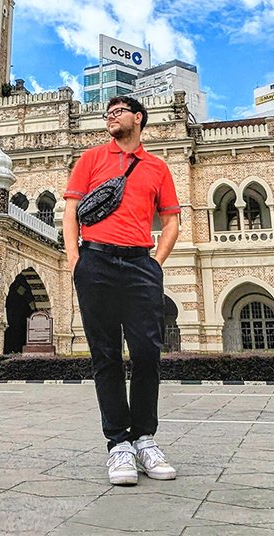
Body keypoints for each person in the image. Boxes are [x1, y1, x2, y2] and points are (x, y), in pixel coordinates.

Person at [63, 95, 181, 486]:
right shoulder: (91, 159)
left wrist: (154, 263)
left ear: (138, 118)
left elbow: (171, 221)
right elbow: (70, 211)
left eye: (118, 112)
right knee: (106, 355)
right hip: (95, 261)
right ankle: (119, 445)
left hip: (139, 263)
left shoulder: (158, 168)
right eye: (107, 114)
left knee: (148, 352)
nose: (111, 117)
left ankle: (144, 438)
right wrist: (75, 260)